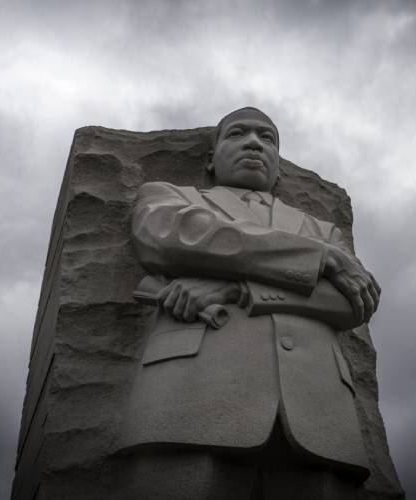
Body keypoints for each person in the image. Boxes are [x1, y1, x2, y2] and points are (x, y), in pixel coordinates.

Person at [117, 107, 381, 499]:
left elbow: (351, 303)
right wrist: (319, 258)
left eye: (267, 138)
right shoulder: (169, 197)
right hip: (191, 400)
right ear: (210, 158)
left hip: (319, 412)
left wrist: (237, 289)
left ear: (279, 171)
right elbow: (172, 238)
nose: (254, 143)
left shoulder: (323, 229)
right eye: (237, 133)